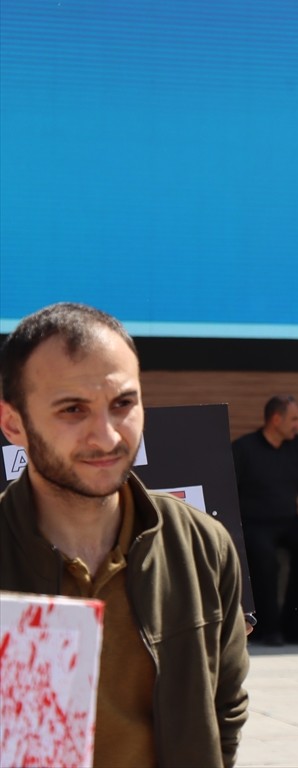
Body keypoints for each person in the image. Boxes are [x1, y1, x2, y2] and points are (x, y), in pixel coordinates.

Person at [0, 302, 249, 766]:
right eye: (73, 409)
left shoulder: (201, 545)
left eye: (123, 404)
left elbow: (225, 706)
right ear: (13, 423)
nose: (107, 435)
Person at [233, 394, 298, 645]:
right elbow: (228, 492)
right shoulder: (243, 448)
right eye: (294, 419)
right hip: (254, 523)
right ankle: (268, 628)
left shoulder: (297, 445)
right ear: (276, 419)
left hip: (289, 520)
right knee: (265, 558)